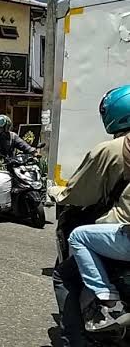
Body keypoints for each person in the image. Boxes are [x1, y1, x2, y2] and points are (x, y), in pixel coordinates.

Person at [53, 85, 130, 333]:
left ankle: (105, 306)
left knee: (64, 274)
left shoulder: (111, 149)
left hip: (123, 231)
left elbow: (79, 192)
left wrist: (57, 193)